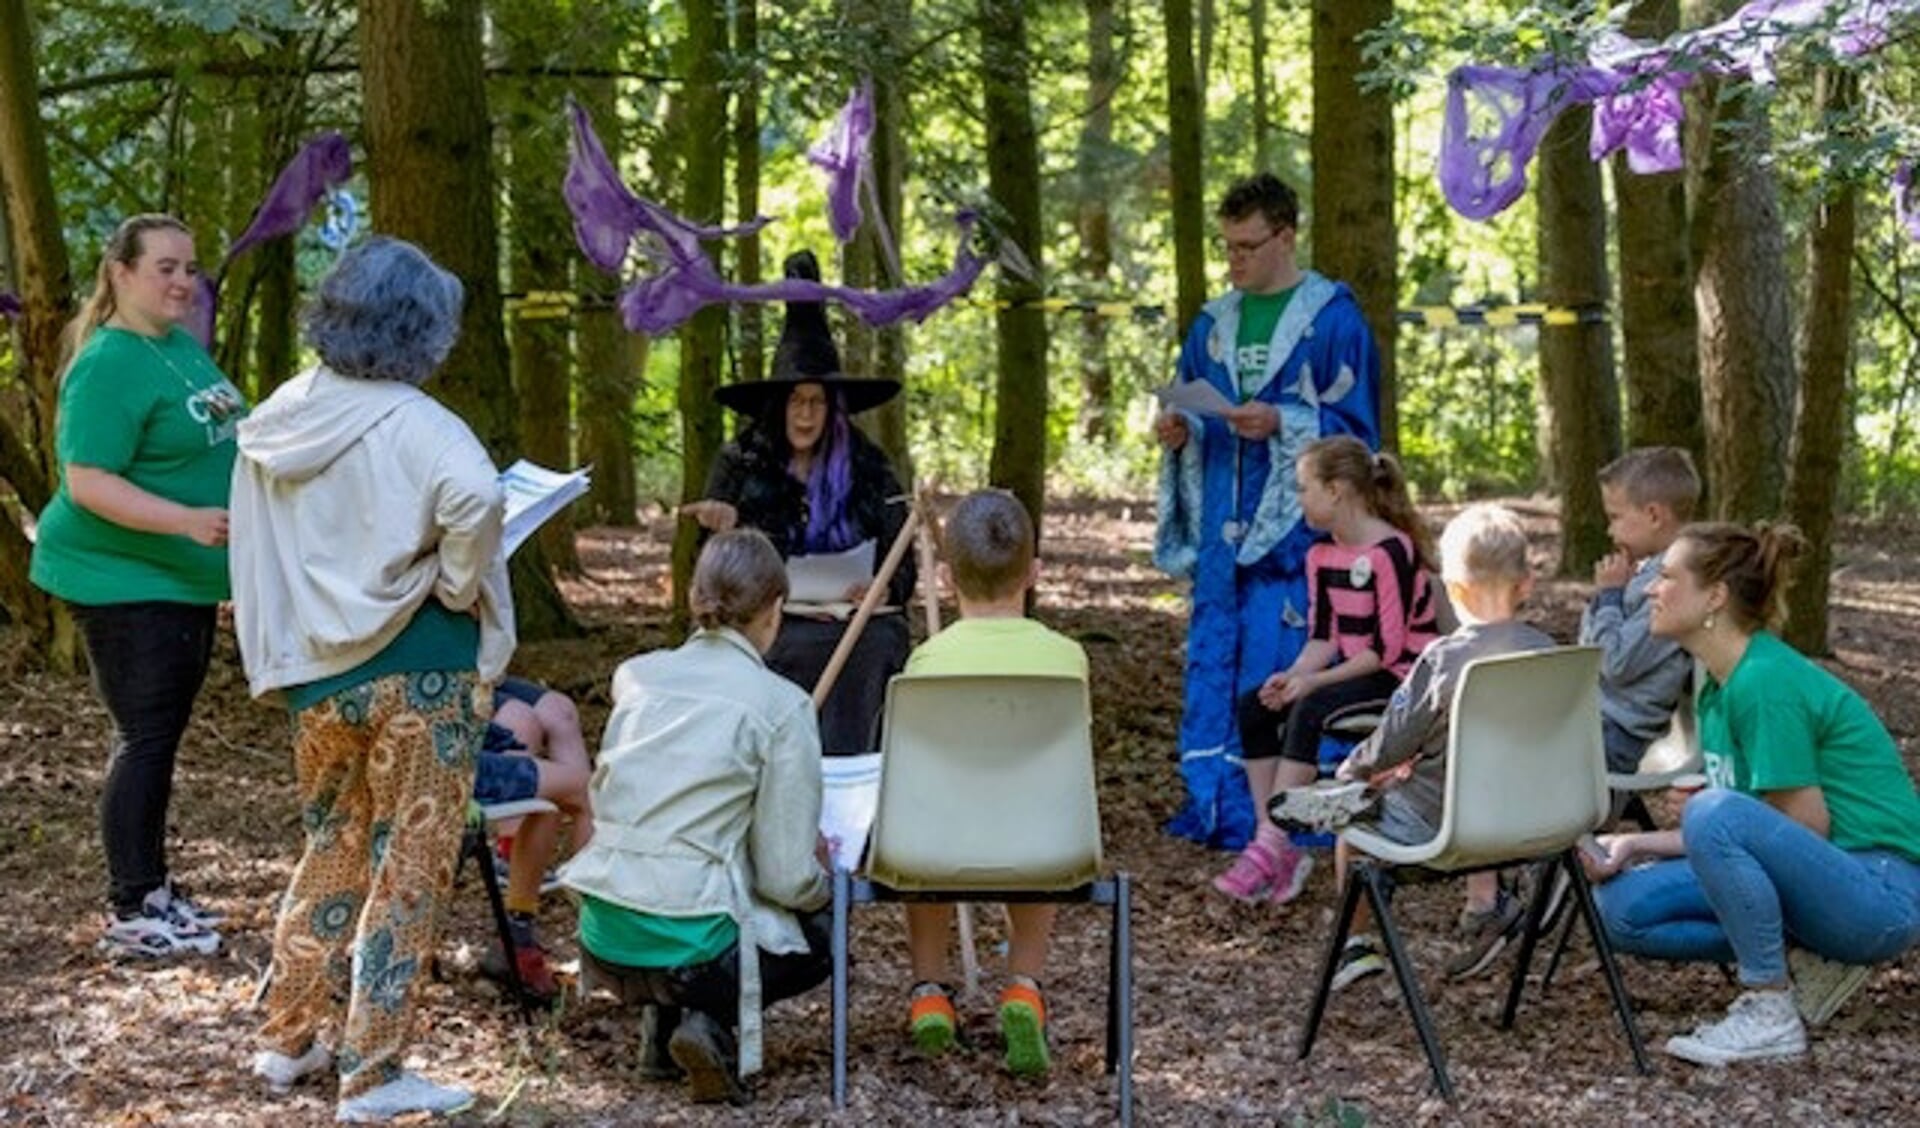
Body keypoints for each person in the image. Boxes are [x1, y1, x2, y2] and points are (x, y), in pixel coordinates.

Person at [229, 237, 514, 1123]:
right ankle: (375, 1074)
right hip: (418, 670)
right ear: (422, 331)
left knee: (333, 846)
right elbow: (475, 496)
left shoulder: (280, 415)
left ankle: (287, 1037)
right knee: (409, 869)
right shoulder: (423, 423)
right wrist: (458, 583)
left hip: (318, 676)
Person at [1587, 522, 1920, 1067]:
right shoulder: (1720, 685)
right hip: (1818, 876)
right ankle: (1807, 956)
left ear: (1714, 596)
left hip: (1878, 891)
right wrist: (1634, 845)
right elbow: (1751, 828)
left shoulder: (1765, 682)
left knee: (1713, 812)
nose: (1649, 588)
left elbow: (1803, 826)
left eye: (1667, 576)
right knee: (1620, 909)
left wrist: (1703, 816)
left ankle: (1769, 1010)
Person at [30, 214, 248, 958]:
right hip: (121, 575)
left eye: (191, 267)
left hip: (180, 577)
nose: (184, 281)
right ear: (120, 273)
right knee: (145, 737)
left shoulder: (177, 349)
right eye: (165, 267)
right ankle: (132, 906)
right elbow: (87, 481)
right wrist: (184, 520)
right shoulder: (110, 362)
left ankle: (155, 888)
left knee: (161, 734)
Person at [562, 530, 833, 1106]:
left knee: (684, 875)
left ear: (693, 596)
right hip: (694, 946)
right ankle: (706, 1021)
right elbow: (785, 875)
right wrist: (823, 886)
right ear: (775, 610)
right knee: (819, 935)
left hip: (602, 934)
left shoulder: (635, 678)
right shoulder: (782, 705)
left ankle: (660, 1032)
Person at [1154, 172, 1381, 851]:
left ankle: (1296, 816)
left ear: (1286, 236)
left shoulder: (1334, 320)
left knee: (1283, 666)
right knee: (1218, 659)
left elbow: (1357, 433)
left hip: (1295, 541)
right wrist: (1182, 433)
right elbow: (1194, 406)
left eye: (1248, 246)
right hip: (1226, 527)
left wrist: (1282, 423)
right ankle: (1221, 807)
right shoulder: (1212, 325)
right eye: (1227, 247)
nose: (1235, 260)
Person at [1272, 504, 1553, 988]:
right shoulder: (1551, 653)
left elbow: (1394, 739)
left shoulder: (1443, 660)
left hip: (1444, 818)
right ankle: (1488, 905)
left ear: (1452, 588)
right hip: (1537, 818)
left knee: (1352, 825)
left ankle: (1355, 946)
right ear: (1526, 583)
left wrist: (1354, 772)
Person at [682, 250, 914, 756]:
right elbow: (707, 576)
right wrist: (720, 531)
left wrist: (881, 585)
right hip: (766, 621)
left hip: (851, 624)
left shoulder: (868, 464)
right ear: (778, 403)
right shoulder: (741, 461)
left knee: (880, 644)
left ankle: (852, 782)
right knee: (773, 651)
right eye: (795, 400)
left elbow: (903, 557)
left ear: (833, 410)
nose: (806, 414)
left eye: (817, 401)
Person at [898, 490, 1090, 1078]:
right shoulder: (1067, 659)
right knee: (1036, 814)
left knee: (918, 825)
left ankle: (931, 990)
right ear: (1033, 574)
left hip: (938, 848)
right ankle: (1023, 987)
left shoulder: (927, 661)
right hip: (1041, 847)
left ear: (946, 578)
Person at [1214, 435, 1441, 905]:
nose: (1299, 498)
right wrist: (1293, 674)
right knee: (1254, 705)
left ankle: (1272, 842)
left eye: (1303, 487)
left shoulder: (1391, 551)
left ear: (1336, 490)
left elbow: (1386, 649)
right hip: (1357, 670)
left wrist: (1311, 684)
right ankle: (1273, 842)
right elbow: (1323, 637)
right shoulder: (1320, 555)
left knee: (1311, 706)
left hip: (1404, 678)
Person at [473, 676, 594, 1000]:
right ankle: (511, 861)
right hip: (433, 688)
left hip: (478, 669)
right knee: (519, 723)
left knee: (560, 711)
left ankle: (528, 920)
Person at [1580, 447, 1699, 775]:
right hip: (1596, 722)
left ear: (1654, 515)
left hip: (1617, 735)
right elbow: (1591, 651)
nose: (1609, 531)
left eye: (1615, 517)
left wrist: (1609, 597)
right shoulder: (1645, 576)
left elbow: (1614, 663)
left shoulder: (1673, 584)